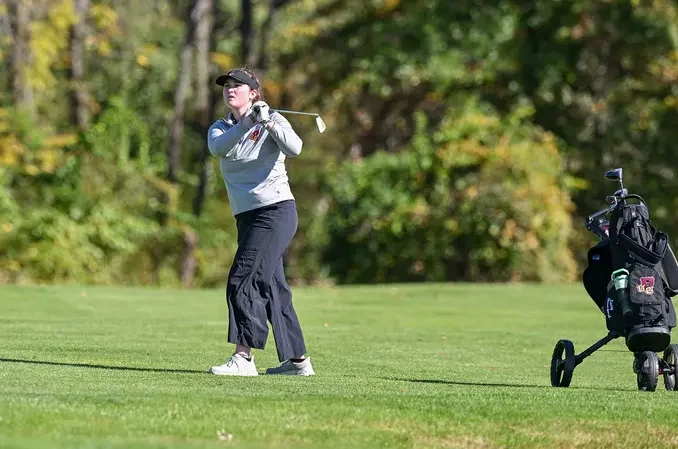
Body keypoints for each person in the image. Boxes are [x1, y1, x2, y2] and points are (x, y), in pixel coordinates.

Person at [206, 67, 314, 376]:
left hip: (276, 211)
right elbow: (218, 148)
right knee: (272, 285)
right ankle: (297, 361)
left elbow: (295, 148)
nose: (230, 89)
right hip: (247, 217)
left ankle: (244, 357)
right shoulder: (220, 128)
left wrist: (266, 121)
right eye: (227, 85)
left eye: (237, 85)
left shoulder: (273, 119)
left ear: (253, 93)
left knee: (243, 278)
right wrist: (248, 123)